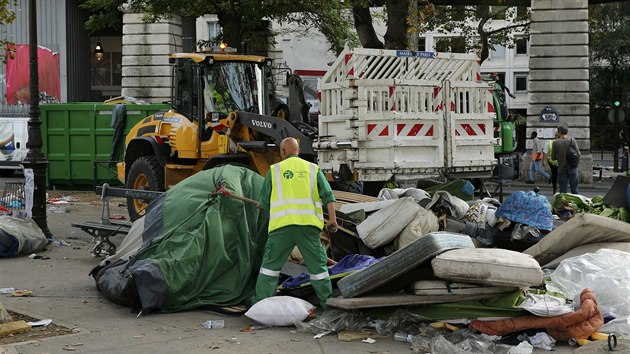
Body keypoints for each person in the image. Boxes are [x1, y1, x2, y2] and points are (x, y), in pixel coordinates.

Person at [251, 137, 338, 309]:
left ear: (283, 152)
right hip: (309, 229)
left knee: (269, 269)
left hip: (281, 229)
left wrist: (261, 205)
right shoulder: (313, 169)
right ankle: (328, 305)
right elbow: (329, 196)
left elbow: (264, 204)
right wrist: (333, 220)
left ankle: (260, 306)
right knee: (318, 270)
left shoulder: (274, 171)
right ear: (298, 151)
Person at [552, 125, 581, 194]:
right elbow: (578, 154)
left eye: (557, 131)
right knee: (575, 189)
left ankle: (563, 204)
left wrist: (559, 156)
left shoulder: (555, 142)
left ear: (559, 132)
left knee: (562, 190)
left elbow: (553, 157)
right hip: (573, 167)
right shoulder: (572, 140)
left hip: (562, 167)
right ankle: (575, 203)